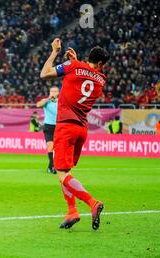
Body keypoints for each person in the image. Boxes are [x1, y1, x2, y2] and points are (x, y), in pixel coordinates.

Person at [40, 38, 108, 230]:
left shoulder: (72, 66)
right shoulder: (101, 79)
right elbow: (85, 78)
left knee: (61, 173)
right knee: (66, 171)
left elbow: (44, 73)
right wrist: (77, 63)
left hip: (65, 127)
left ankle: (92, 203)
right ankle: (72, 212)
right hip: (81, 129)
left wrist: (54, 52)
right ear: (101, 64)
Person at [36, 86, 59, 173]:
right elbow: (38, 105)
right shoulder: (46, 101)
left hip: (59, 126)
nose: (53, 93)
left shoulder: (61, 102)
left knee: (57, 148)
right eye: (52, 91)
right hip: (48, 126)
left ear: (58, 93)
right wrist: (49, 98)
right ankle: (53, 166)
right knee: (50, 146)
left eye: (55, 91)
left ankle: (50, 167)